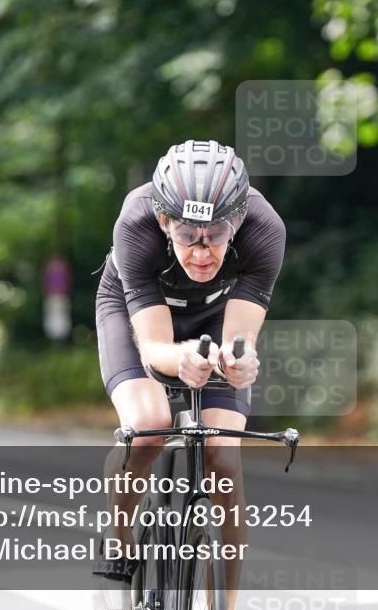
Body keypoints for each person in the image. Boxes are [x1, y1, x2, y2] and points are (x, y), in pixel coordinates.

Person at [93, 139, 285, 607]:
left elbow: (240, 339)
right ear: (163, 221)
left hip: (214, 316)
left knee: (224, 460)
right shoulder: (136, 222)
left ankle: (229, 602)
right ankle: (119, 536)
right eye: (186, 235)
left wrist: (241, 365)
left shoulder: (265, 230)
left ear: (237, 221)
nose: (201, 252)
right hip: (137, 313)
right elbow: (156, 346)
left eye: (216, 235)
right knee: (148, 429)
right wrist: (177, 360)